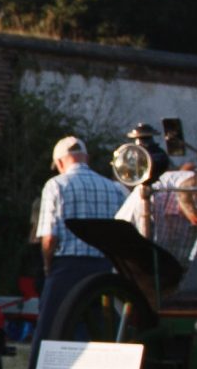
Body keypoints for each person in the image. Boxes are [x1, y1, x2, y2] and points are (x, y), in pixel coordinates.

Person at [32, 135, 127, 336]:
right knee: (99, 329)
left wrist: (48, 266)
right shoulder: (114, 188)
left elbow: (50, 237)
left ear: (59, 162)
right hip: (103, 268)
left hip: (67, 266)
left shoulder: (56, 185)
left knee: (50, 328)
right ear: (86, 158)